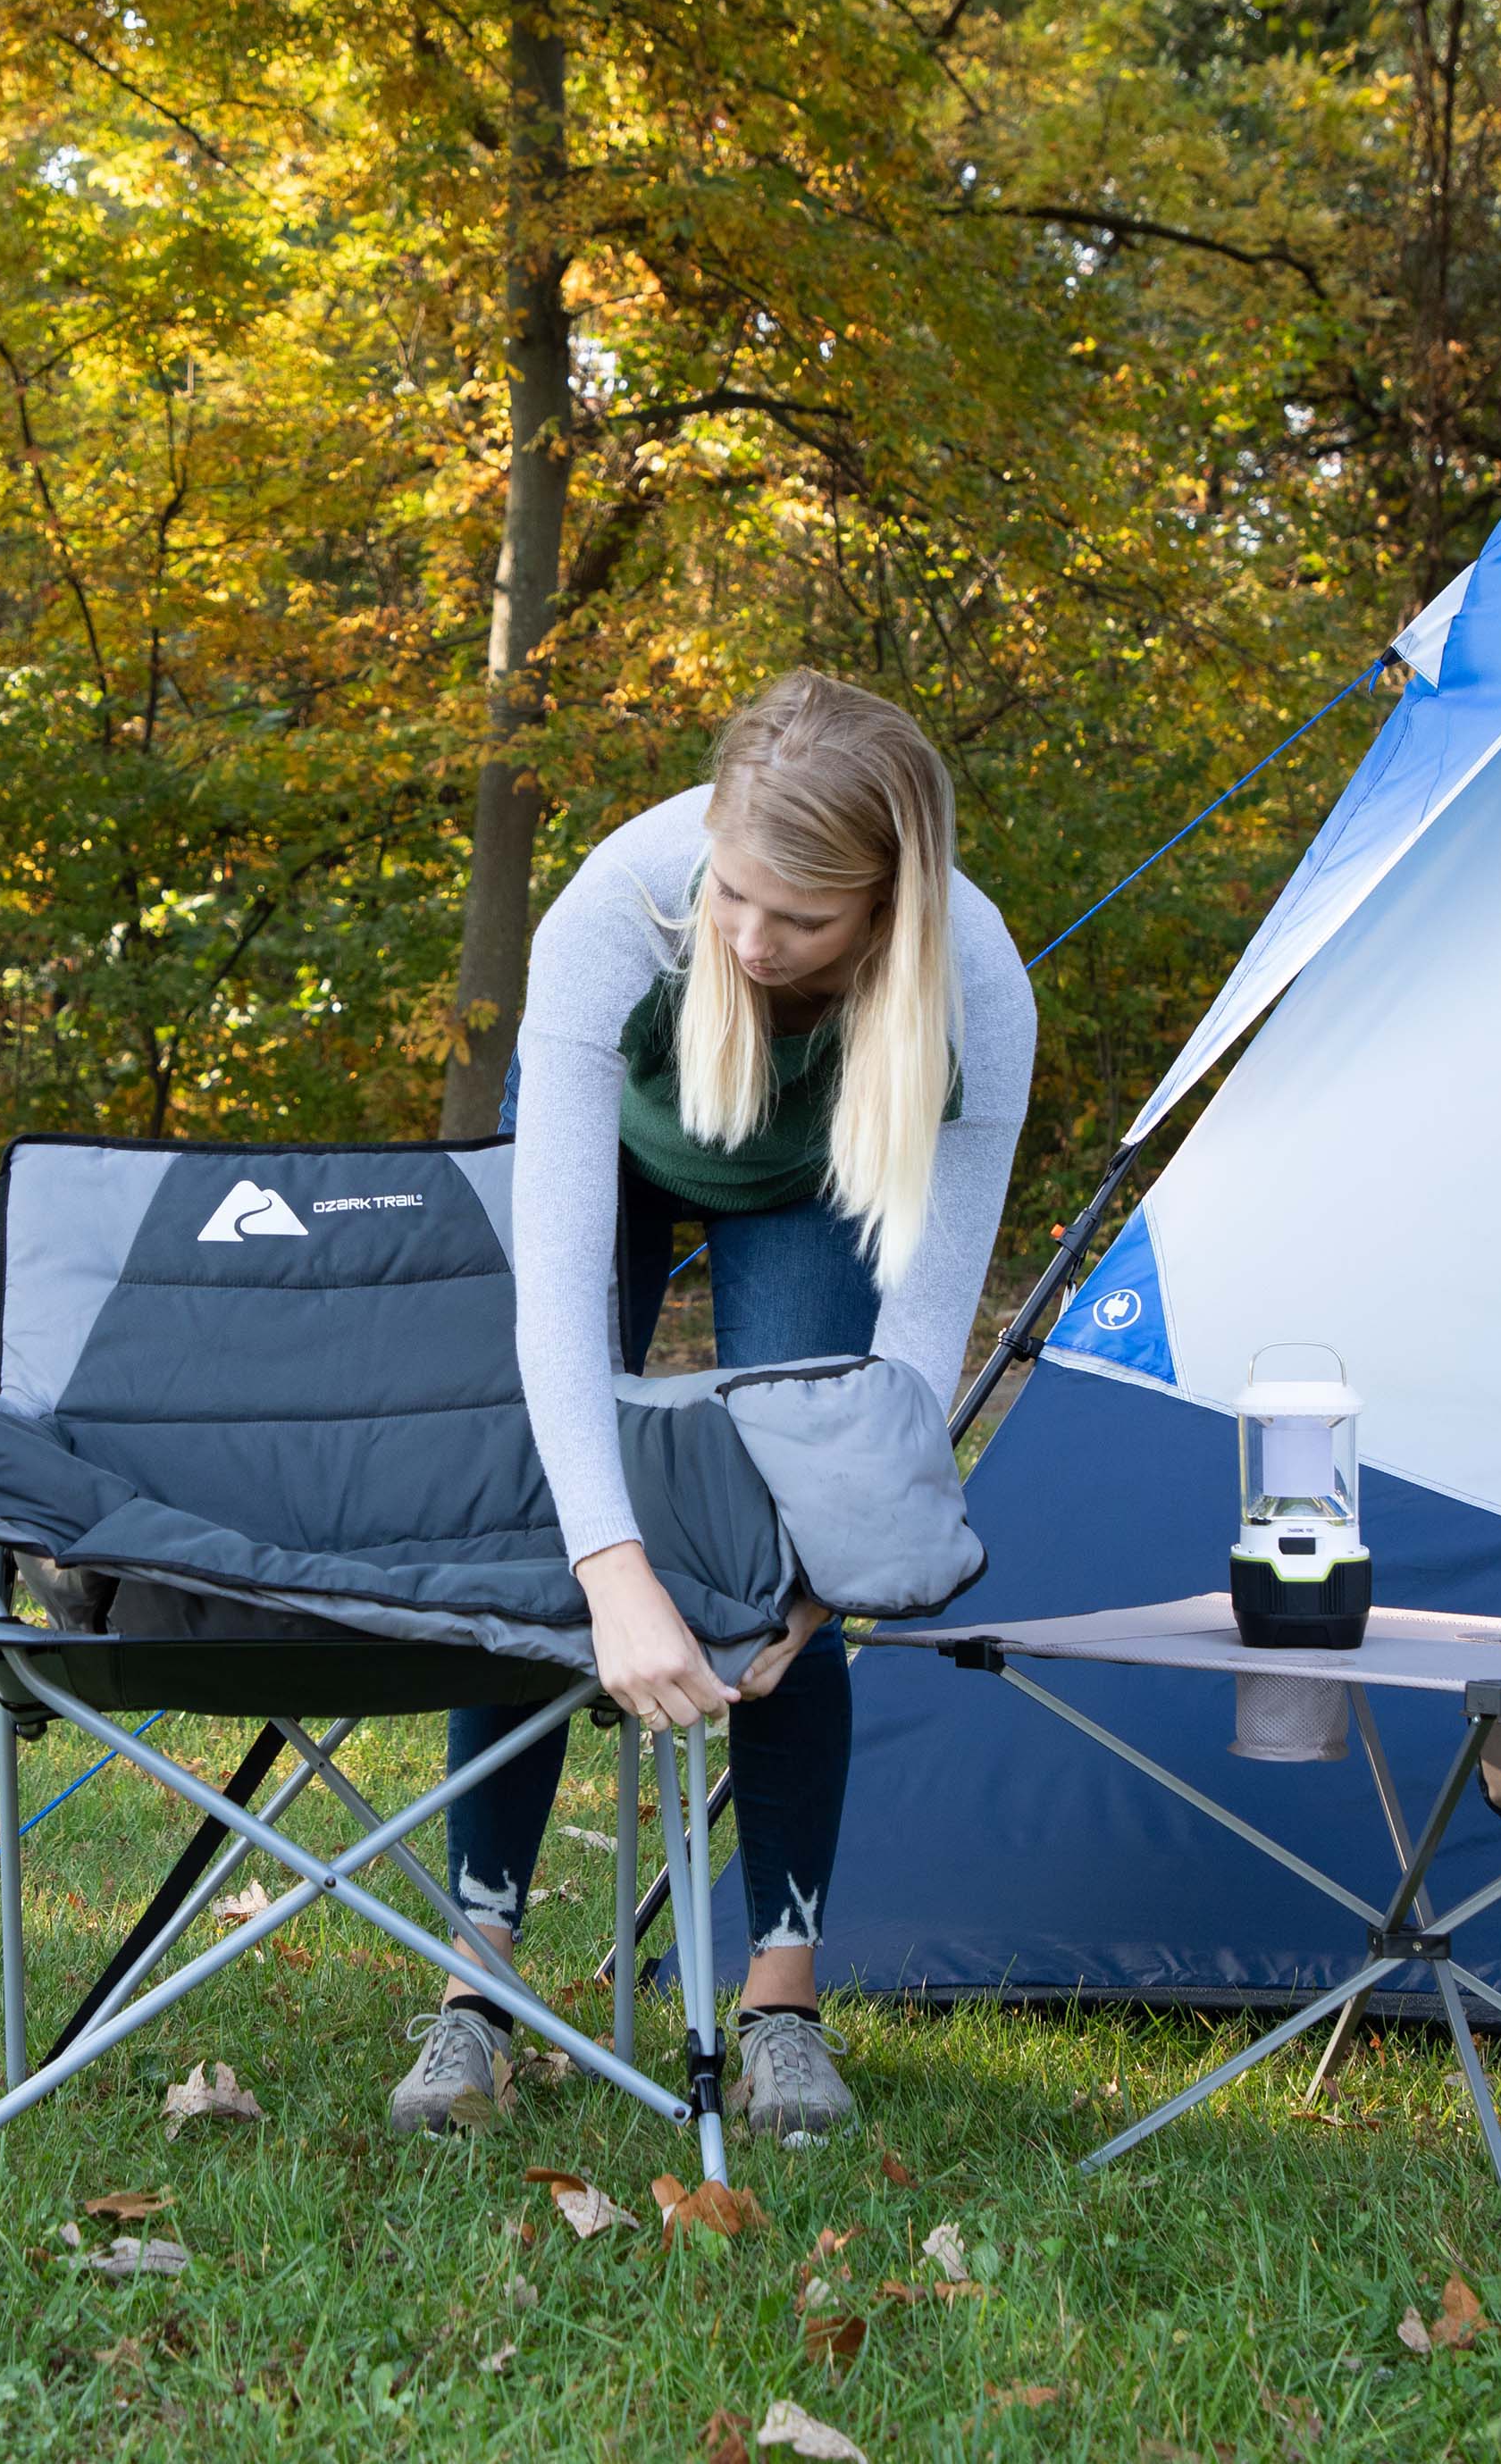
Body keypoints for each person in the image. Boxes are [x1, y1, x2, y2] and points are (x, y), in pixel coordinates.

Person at [392, 669, 1036, 2137]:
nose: (750, 943)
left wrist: (824, 1571)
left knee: (789, 1523)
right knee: (534, 1517)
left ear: (890, 909)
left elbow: (914, 1354)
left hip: (810, 1185)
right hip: (607, 1165)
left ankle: (781, 2007)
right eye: (734, 898)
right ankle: (475, 1986)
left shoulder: (979, 992)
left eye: (801, 921)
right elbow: (551, 1304)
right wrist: (612, 1573)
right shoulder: (616, 912)